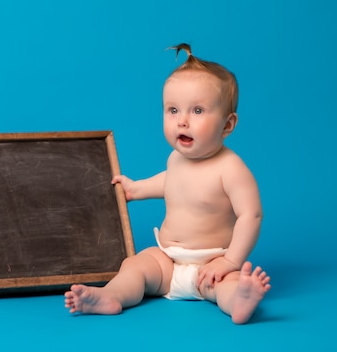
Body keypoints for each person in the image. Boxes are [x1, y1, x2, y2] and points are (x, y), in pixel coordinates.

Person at [64, 43, 270, 324]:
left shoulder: (231, 168)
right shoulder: (176, 158)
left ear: (227, 125)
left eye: (197, 111)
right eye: (173, 110)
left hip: (210, 264)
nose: (182, 121)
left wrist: (230, 261)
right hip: (168, 261)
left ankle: (239, 301)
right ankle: (111, 296)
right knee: (134, 266)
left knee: (225, 284)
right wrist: (137, 189)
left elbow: (251, 215)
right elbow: (170, 183)